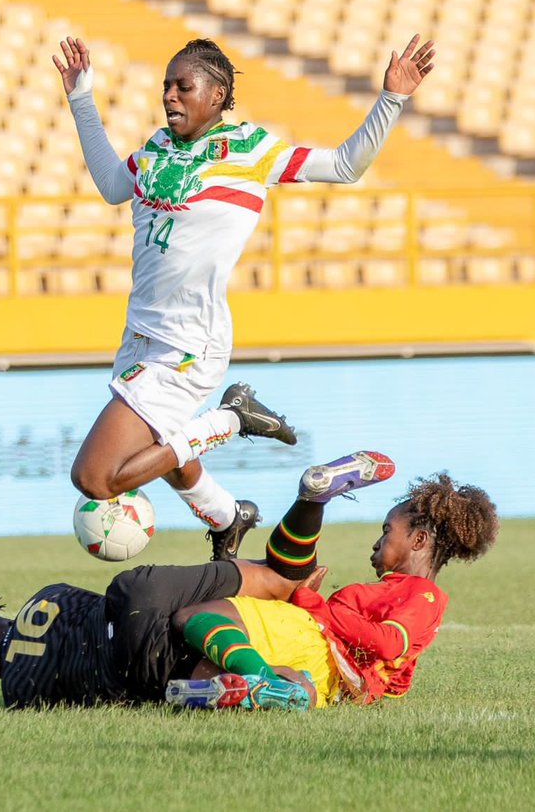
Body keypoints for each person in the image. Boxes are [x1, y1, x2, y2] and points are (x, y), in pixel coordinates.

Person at [51, 33, 436, 557]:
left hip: (189, 343)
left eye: (182, 86)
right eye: (165, 86)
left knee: (96, 479)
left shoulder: (251, 151)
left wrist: (392, 97)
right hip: (140, 336)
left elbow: (346, 165)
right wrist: (80, 96)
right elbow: (112, 186)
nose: (169, 96)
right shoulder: (158, 148)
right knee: (164, 451)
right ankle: (228, 518)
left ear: (217, 95)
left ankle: (232, 417)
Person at [0, 449, 497, 711]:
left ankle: (265, 519)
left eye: (387, 531)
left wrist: (321, 608)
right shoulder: (47, 600)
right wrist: (312, 601)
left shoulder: (18, 694)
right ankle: (278, 503)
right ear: (5, 618)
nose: (377, 542)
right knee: (270, 581)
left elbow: (388, 648)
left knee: (267, 588)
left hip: (137, 669)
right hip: (136, 607)